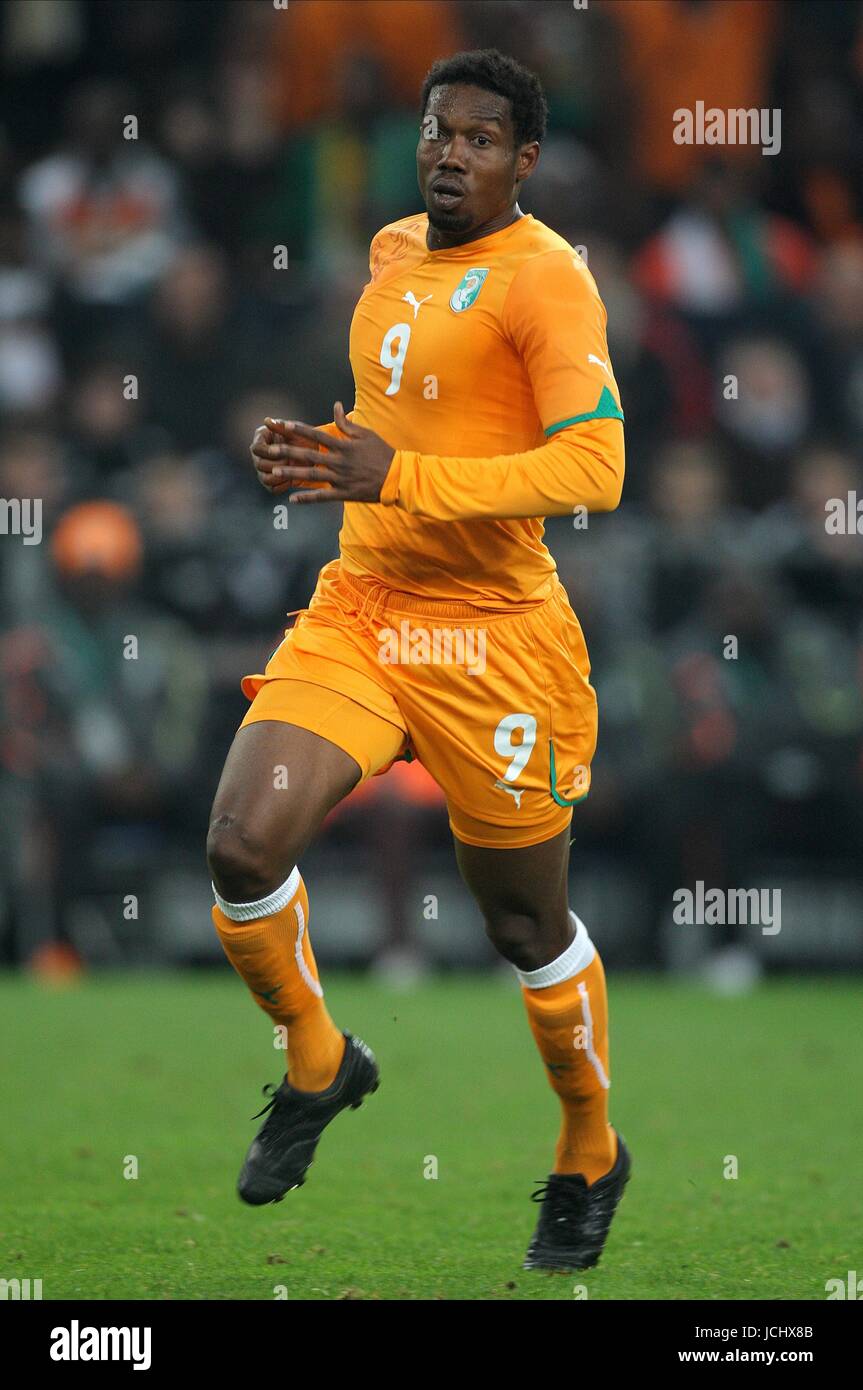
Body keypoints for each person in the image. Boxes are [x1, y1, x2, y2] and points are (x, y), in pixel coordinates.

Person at [207, 48, 629, 1273]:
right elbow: (400, 424)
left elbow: (591, 468)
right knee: (240, 844)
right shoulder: (391, 251)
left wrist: (399, 475)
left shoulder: (548, 282)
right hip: (367, 607)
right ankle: (319, 1061)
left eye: (480, 138)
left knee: (521, 924)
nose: (449, 153)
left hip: (495, 640)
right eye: (438, 132)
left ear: (524, 160)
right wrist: (323, 452)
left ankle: (589, 1143)